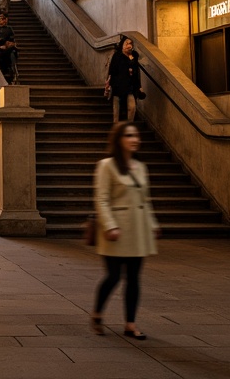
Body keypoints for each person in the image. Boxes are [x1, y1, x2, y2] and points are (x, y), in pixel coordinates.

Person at [91, 121, 159, 339]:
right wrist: (110, 225)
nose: (135, 139)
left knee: (134, 278)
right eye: (129, 135)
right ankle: (97, 313)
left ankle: (130, 323)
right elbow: (101, 199)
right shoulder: (107, 166)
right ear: (119, 140)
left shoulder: (141, 167)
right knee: (112, 276)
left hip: (137, 230)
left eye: (136, 136)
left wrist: (153, 224)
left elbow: (146, 200)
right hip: (116, 230)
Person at [106, 36, 143, 123]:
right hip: (118, 86)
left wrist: (139, 86)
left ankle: (129, 125)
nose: (128, 45)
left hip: (130, 86)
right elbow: (112, 71)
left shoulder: (133, 56)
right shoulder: (117, 56)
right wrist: (110, 83)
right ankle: (116, 126)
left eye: (130, 43)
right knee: (116, 109)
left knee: (132, 107)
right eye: (126, 43)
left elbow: (136, 72)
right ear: (122, 45)